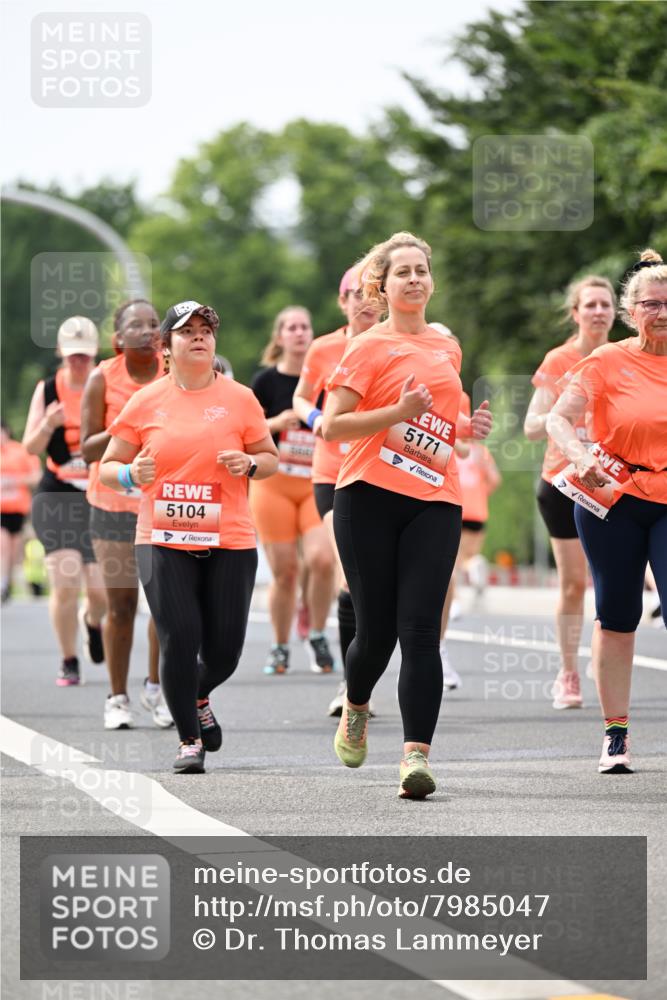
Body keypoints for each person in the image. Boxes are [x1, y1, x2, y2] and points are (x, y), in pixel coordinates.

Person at [322, 232, 492, 799]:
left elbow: (440, 418)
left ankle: (415, 758)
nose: (415, 279)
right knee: (375, 634)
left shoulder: (448, 348)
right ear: (384, 285)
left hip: (436, 498)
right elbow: (332, 426)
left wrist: (467, 428)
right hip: (367, 493)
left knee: (421, 629)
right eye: (403, 272)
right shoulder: (366, 346)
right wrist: (396, 411)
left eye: (422, 270)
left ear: (431, 281)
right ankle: (357, 704)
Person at [100, 300, 278, 773]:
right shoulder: (146, 402)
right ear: (166, 347)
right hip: (161, 536)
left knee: (224, 650)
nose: (198, 337)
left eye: (206, 330)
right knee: (180, 635)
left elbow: (270, 457)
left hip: (230, 539)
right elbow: (106, 470)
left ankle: (198, 694)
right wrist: (130, 474)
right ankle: (188, 740)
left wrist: (252, 464)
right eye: (186, 331)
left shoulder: (240, 398)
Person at [546, 250, 667, 773]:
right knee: (618, 616)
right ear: (630, 310)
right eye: (652, 304)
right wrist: (579, 458)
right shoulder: (607, 361)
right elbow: (557, 419)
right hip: (613, 500)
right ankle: (615, 736)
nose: (662, 312)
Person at [292, 266, 382, 714]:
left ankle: (362, 673)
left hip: (382, 472)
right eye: (355, 293)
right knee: (345, 570)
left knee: (372, 584)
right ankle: (352, 688)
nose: (364, 301)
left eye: (372, 293)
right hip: (333, 472)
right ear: (341, 299)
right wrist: (315, 421)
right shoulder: (325, 347)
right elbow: (301, 396)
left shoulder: (393, 344)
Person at [524, 276, 615, 708]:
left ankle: (608, 664)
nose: (598, 311)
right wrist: (564, 414)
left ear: (616, 312)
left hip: (611, 481)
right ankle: (568, 674)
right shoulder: (559, 359)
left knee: (615, 579)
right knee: (575, 583)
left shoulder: (623, 357)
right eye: (590, 304)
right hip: (563, 481)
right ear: (575, 313)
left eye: (605, 304)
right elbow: (530, 425)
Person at [81, 299, 171, 730]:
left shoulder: (173, 374)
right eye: (135, 325)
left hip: (163, 502)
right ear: (117, 338)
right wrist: (129, 423)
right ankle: (117, 697)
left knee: (163, 605)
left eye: (154, 324)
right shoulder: (103, 377)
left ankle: (157, 688)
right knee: (121, 604)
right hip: (114, 503)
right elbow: (86, 448)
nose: (147, 330)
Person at [250, 306, 336, 675]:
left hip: (315, 481)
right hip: (274, 486)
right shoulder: (265, 382)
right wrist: (276, 422)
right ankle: (280, 645)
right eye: (292, 327)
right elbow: (245, 431)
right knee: (285, 571)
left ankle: (317, 633)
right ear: (280, 336)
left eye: (305, 326)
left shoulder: (325, 379)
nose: (300, 333)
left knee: (322, 559)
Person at [23, 317, 107, 685]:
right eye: (72, 355)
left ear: (94, 355)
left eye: (84, 356)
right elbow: (30, 447)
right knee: (65, 579)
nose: (78, 362)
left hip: (97, 495)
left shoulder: (105, 385)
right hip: (56, 493)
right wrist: (49, 424)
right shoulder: (47, 390)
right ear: (60, 353)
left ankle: (93, 622)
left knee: (101, 594)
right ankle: (69, 659)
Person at [1, 421, 40, 602]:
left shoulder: (20, 451)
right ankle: (2, 583)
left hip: (17, 508)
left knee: (14, 549)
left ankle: (7, 582)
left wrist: (15, 481)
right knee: (3, 544)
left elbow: (36, 476)